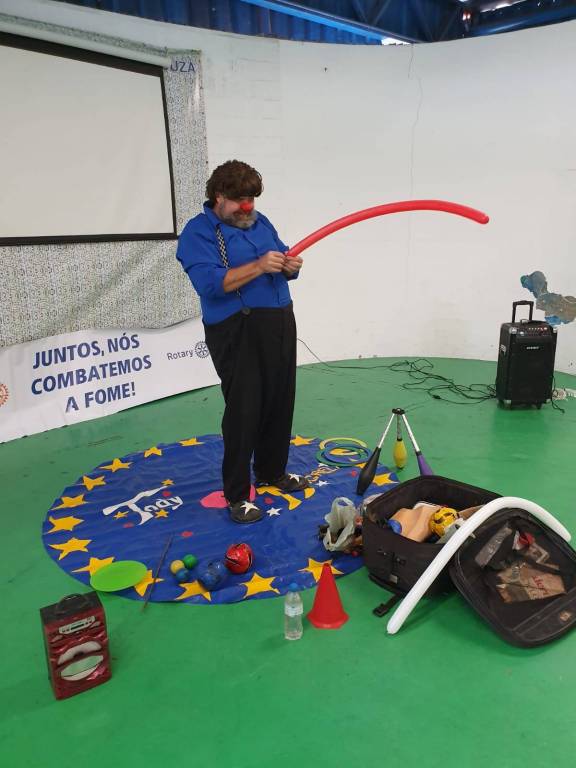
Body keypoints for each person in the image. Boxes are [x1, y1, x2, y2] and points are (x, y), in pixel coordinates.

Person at [176, 160, 309, 523]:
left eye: (251, 198)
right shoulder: (198, 233)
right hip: (237, 328)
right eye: (239, 200)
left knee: (280, 400)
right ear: (218, 197)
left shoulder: (260, 222)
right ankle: (237, 494)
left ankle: (272, 471)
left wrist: (291, 267)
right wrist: (259, 266)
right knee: (244, 409)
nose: (247, 207)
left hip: (279, 320)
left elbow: (281, 258)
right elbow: (209, 285)